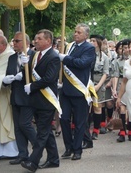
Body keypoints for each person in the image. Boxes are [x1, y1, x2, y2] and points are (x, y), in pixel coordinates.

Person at [21, 29, 61, 172]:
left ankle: (33, 161)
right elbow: (27, 72)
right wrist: (23, 64)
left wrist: (32, 86)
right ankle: (53, 159)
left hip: (46, 100)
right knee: (46, 132)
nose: (35, 41)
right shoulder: (35, 54)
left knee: (42, 133)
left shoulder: (53, 57)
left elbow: (49, 79)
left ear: (48, 41)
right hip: (36, 100)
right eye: (35, 38)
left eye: (39, 38)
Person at [58, 24, 96, 161]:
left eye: (79, 32)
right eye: (75, 32)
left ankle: (77, 149)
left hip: (79, 91)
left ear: (86, 35)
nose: (75, 34)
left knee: (80, 123)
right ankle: (68, 147)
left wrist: (65, 59)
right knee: (64, 119)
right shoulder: (69, 46)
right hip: (66, 90)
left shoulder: (89, 48)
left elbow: (82, 63)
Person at [2, 31, 36, 165]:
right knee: (17, 127)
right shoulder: (11, 58)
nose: (14, 43)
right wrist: (6, 80)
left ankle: (38, 147)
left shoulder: (33, 55)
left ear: (26, 43)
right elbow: (8, 75)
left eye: (17, 41)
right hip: (15, 95)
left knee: (25, 124)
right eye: (14, 41)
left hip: (28, 96)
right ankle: (22, 154)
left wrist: (25, 70)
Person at [89, 34, 109, 140]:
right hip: (88, 81)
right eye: (90, 40)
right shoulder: (87, 54)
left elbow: (105, 73)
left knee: (97, 107)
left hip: (99, 81)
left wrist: (98, 86)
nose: (92, 43)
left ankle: (96, 130)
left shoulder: (104, 57)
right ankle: (86, 130)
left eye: (94, 41)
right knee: (87, 107)